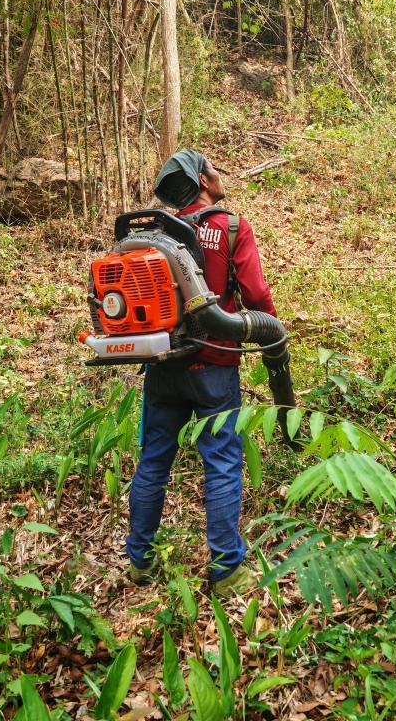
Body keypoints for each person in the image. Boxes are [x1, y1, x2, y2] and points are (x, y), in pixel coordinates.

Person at [126, 149, 276, 597]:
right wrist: (271, 331)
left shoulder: (156, 235)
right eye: (214, 169)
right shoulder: (230, 227)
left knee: (154, 461)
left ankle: (140, 561)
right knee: (223, 462)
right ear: (203, 181)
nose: (219, 175)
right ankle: (227, 570)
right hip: (215, 365)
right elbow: (255, 294)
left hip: (164, 365)